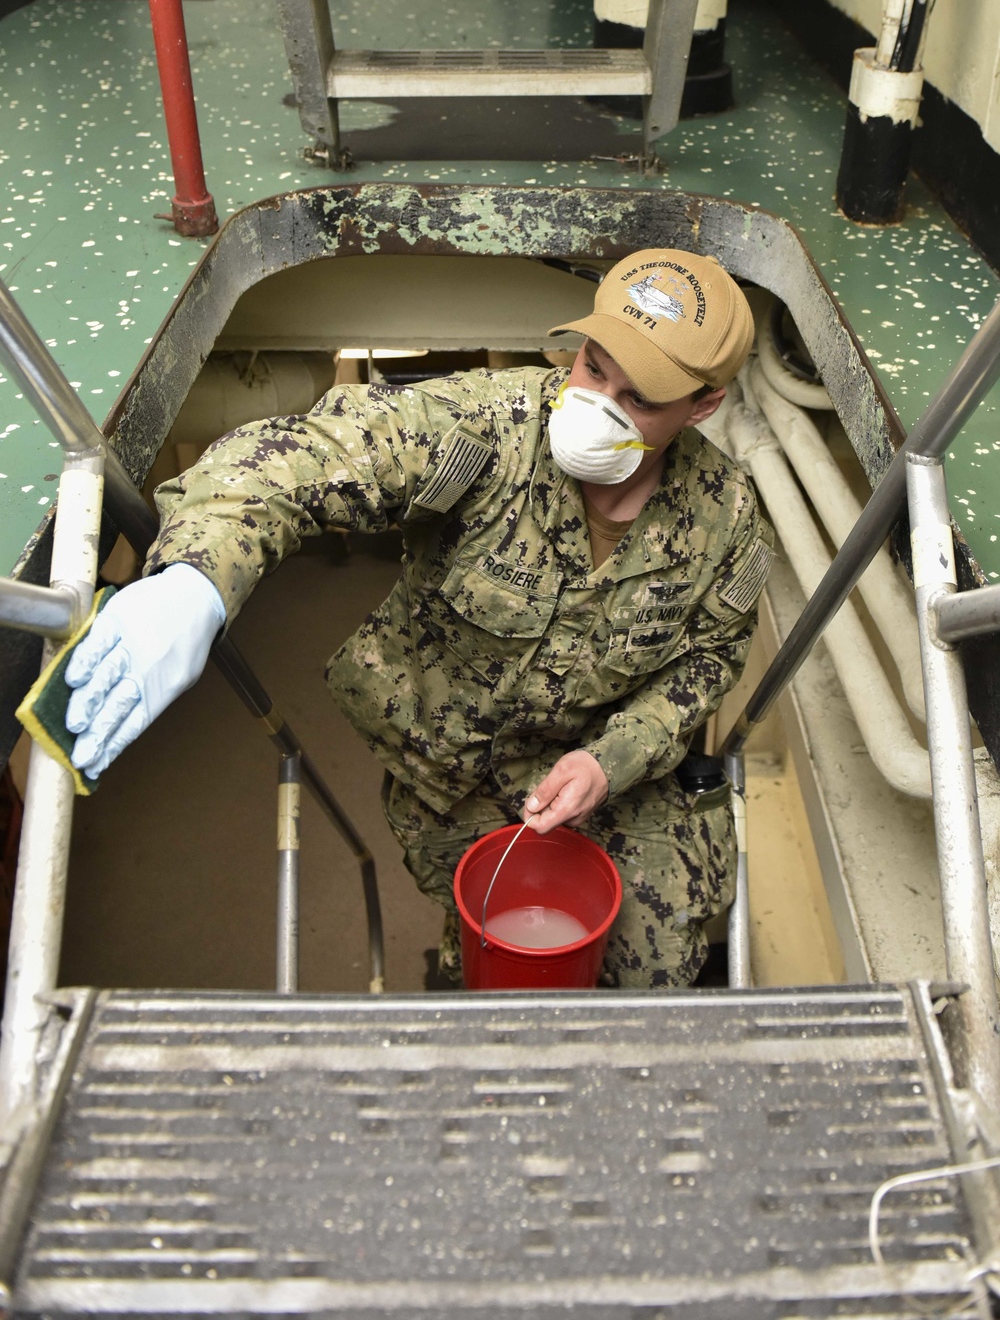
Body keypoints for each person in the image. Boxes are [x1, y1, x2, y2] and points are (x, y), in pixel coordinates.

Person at [64, 248, 773, 988]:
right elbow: (299, 459)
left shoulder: (724, 519)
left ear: (703, 406)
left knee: (655, 967)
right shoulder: (487, 429)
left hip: (614, 781)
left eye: (640, 399)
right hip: (454, 773)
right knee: (487, 956)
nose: (596, 404)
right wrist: (195, 578)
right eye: (593, 367)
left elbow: (711, 658)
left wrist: (614, 758)